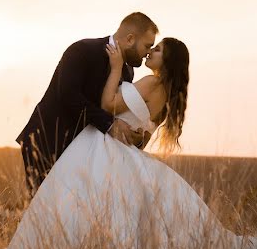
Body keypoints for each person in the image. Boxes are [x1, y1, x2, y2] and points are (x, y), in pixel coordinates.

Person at [0, 35, 257, 249]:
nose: (150, 54)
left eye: (157, 50)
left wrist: (116, 68)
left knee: (77, 208)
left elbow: (109, 105)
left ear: (167, 60)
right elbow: (141, 140)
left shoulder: (151, 81)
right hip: (129, 155)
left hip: (105, 149)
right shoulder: (169, 100)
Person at [16, 12, 159, 197]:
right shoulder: (82, 49)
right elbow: (68, 95)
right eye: (148, 45)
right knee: (43, 211)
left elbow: (111, 107)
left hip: (83, 153)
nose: (149, 52)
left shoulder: (127, 71)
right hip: (47, 143)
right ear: (130, 39)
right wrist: (111, 124)